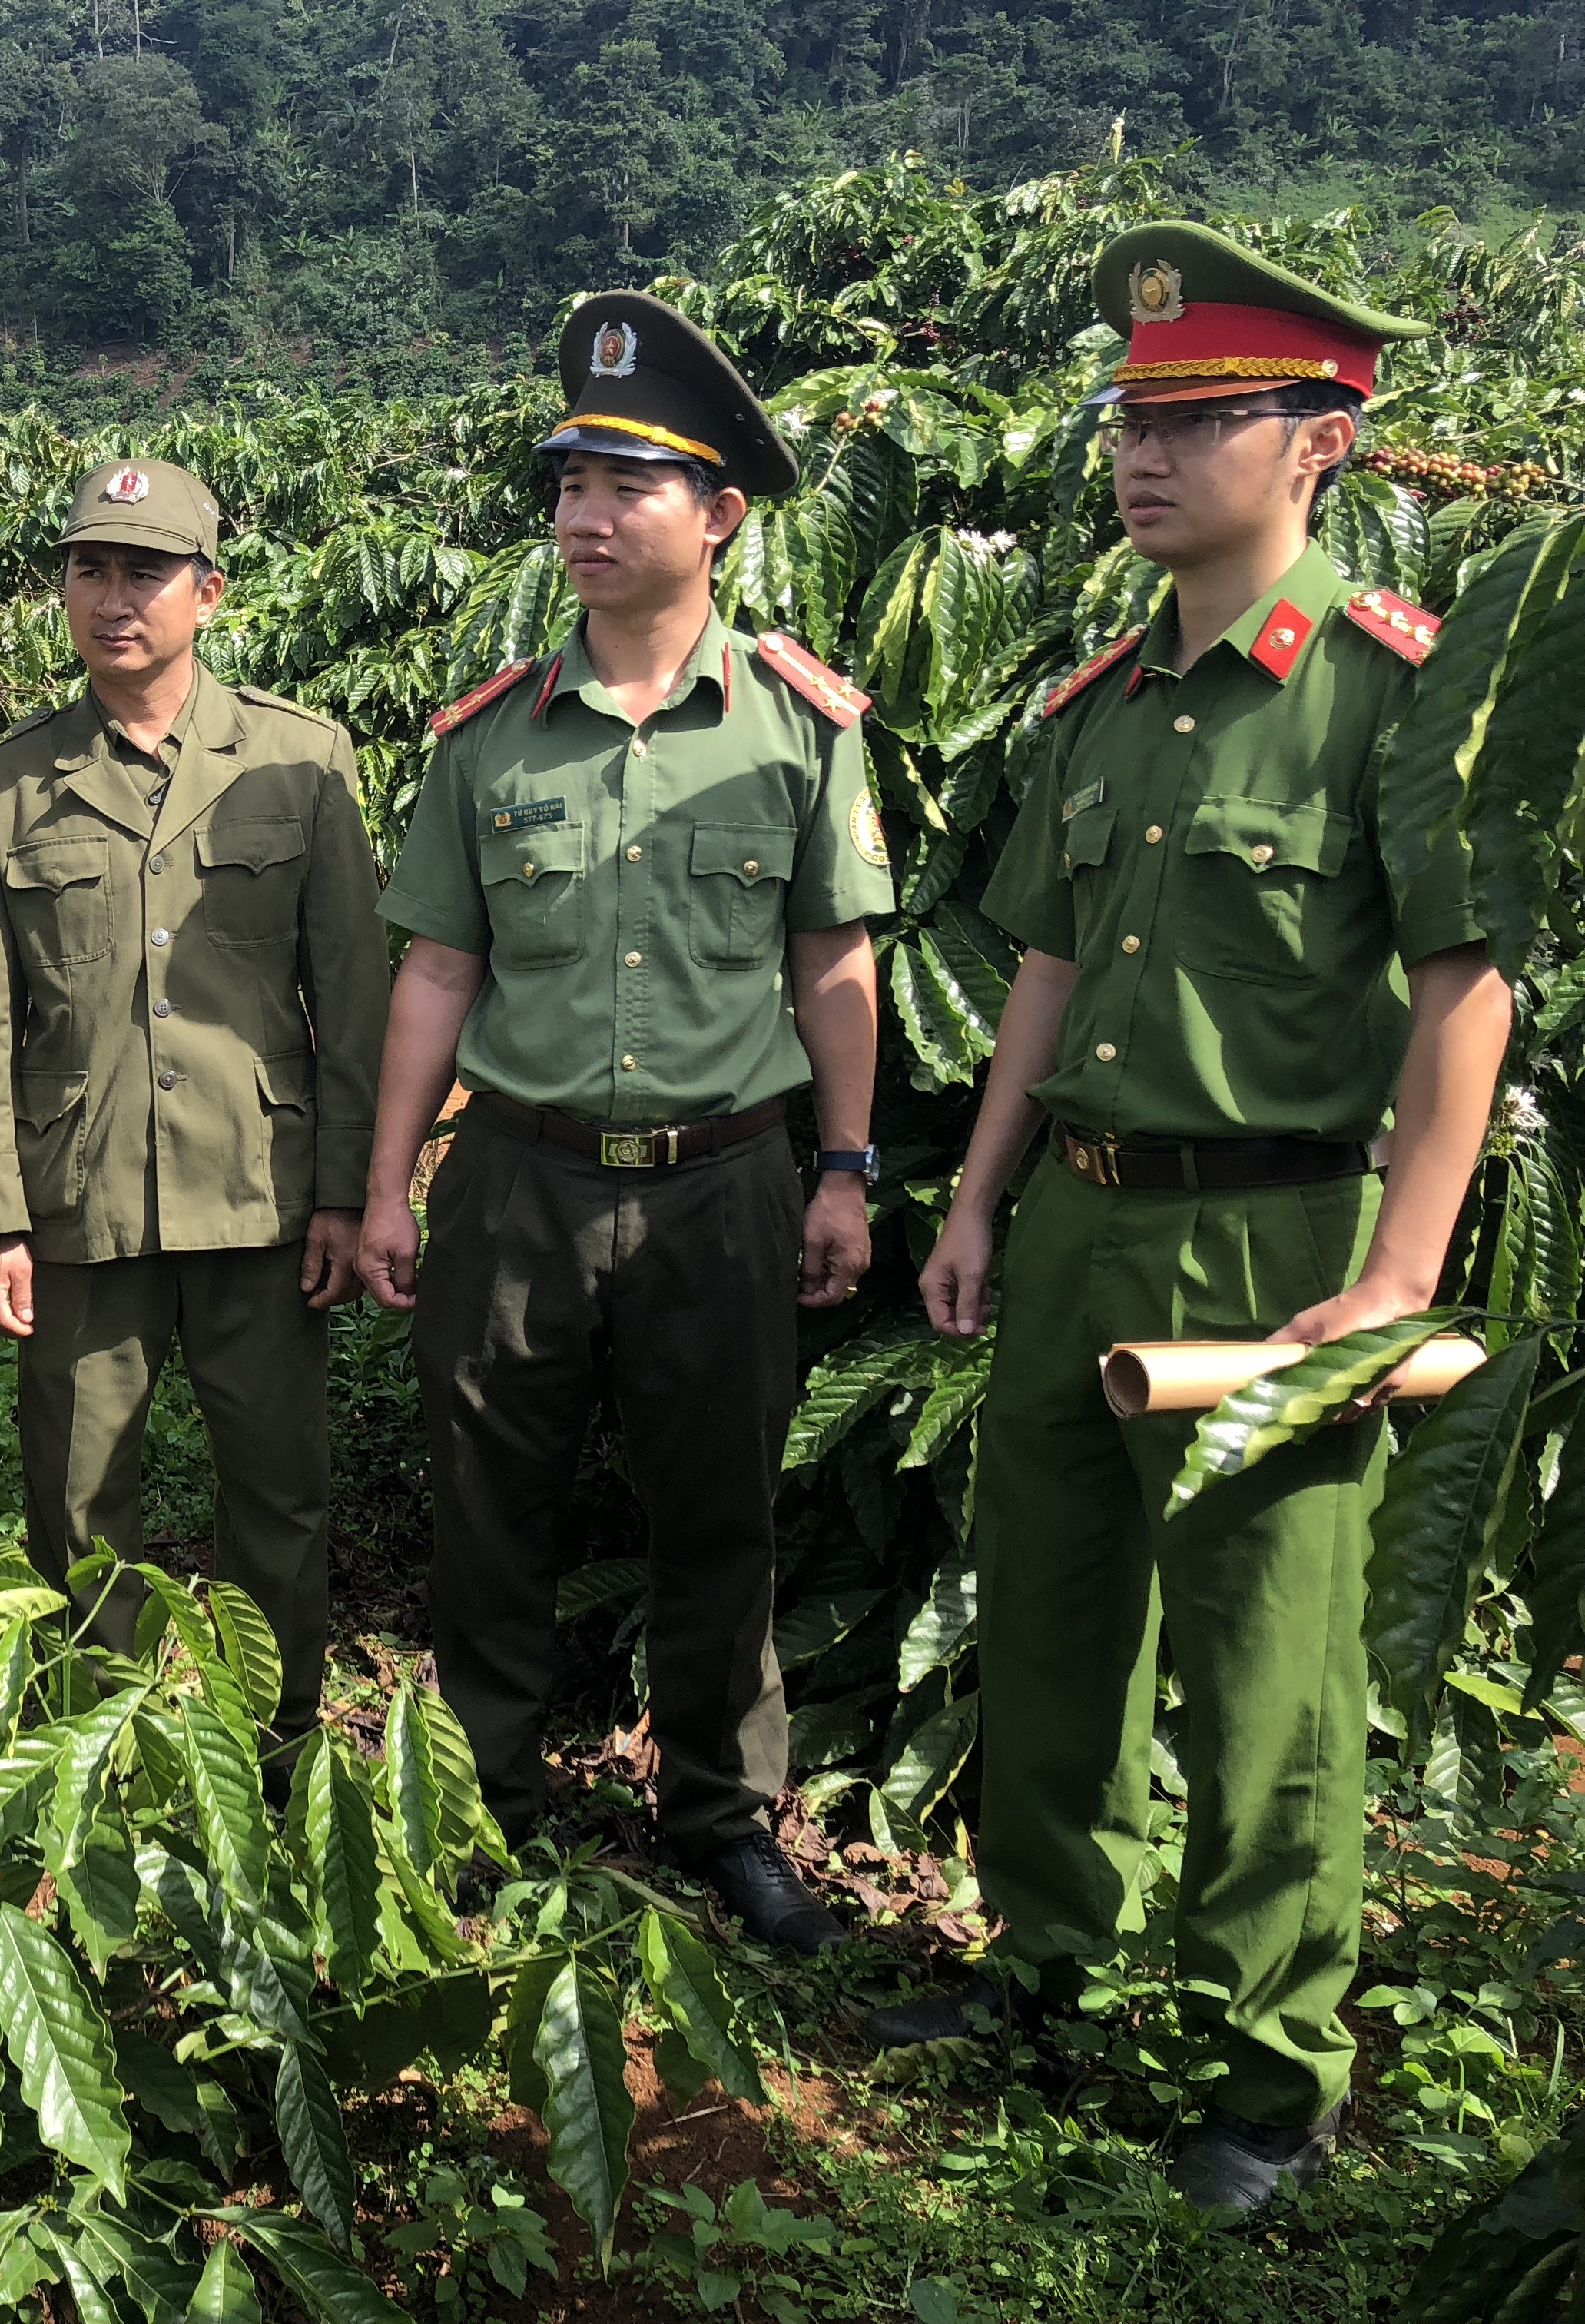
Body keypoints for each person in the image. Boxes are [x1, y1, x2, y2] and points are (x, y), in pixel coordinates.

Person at [873, 224, 1510, 2217]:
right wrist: (979, 1199)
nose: (1143, 457)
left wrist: (1402, 1275)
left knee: (1265, 1663)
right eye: (1130, 420)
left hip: (1275, 1243)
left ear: (1319, 442)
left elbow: (1461, 989)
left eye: (1198, 419)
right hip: (1078, 1214)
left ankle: (1269, 2058)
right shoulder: (1098, 702)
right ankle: (1047, 1969)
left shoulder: (1390, 700)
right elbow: (1041, 981)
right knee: (1053, 1615)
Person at [356, 293, 891, 1953]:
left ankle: (724, 1817)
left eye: (626, 488)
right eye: (570, 485)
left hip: (725, 1185)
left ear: (720, 515)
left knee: (719, 1506)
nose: (583, 519)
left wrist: (850, 1174)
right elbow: (439, 972)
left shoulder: (801, 727)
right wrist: (390, 1181)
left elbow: (833, 964)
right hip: (514, 1176)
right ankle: (488, 1797)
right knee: (488, 1503)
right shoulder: (490, 735)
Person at [0, 457, 385, 1758]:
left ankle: (280, 1737)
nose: (112, 598)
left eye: (145, 571)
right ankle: (103, 1747)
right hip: (79, 1201)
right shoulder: (7, 785)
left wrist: (348, 1195)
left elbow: (351, 997)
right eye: (89, 569)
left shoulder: (303, 763)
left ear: (209, 591)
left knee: (279, 1496)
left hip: (259, 1192)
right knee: (78, 1501)